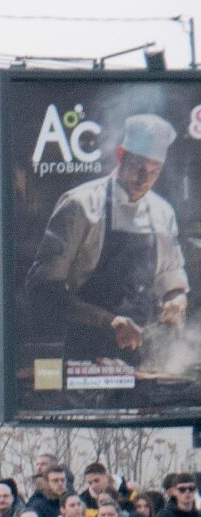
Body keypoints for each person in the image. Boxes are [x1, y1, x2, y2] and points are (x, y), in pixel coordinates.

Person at [25, 110, 185, 362]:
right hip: (86, 355)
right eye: (138, 167)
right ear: (121, 155)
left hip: (144, 357)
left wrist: (176, 300)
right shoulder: (80, 205)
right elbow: (43, 289)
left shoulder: (163, 213)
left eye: (154, 171)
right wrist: (109, 321)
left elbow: (172, 281)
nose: (144, 179)